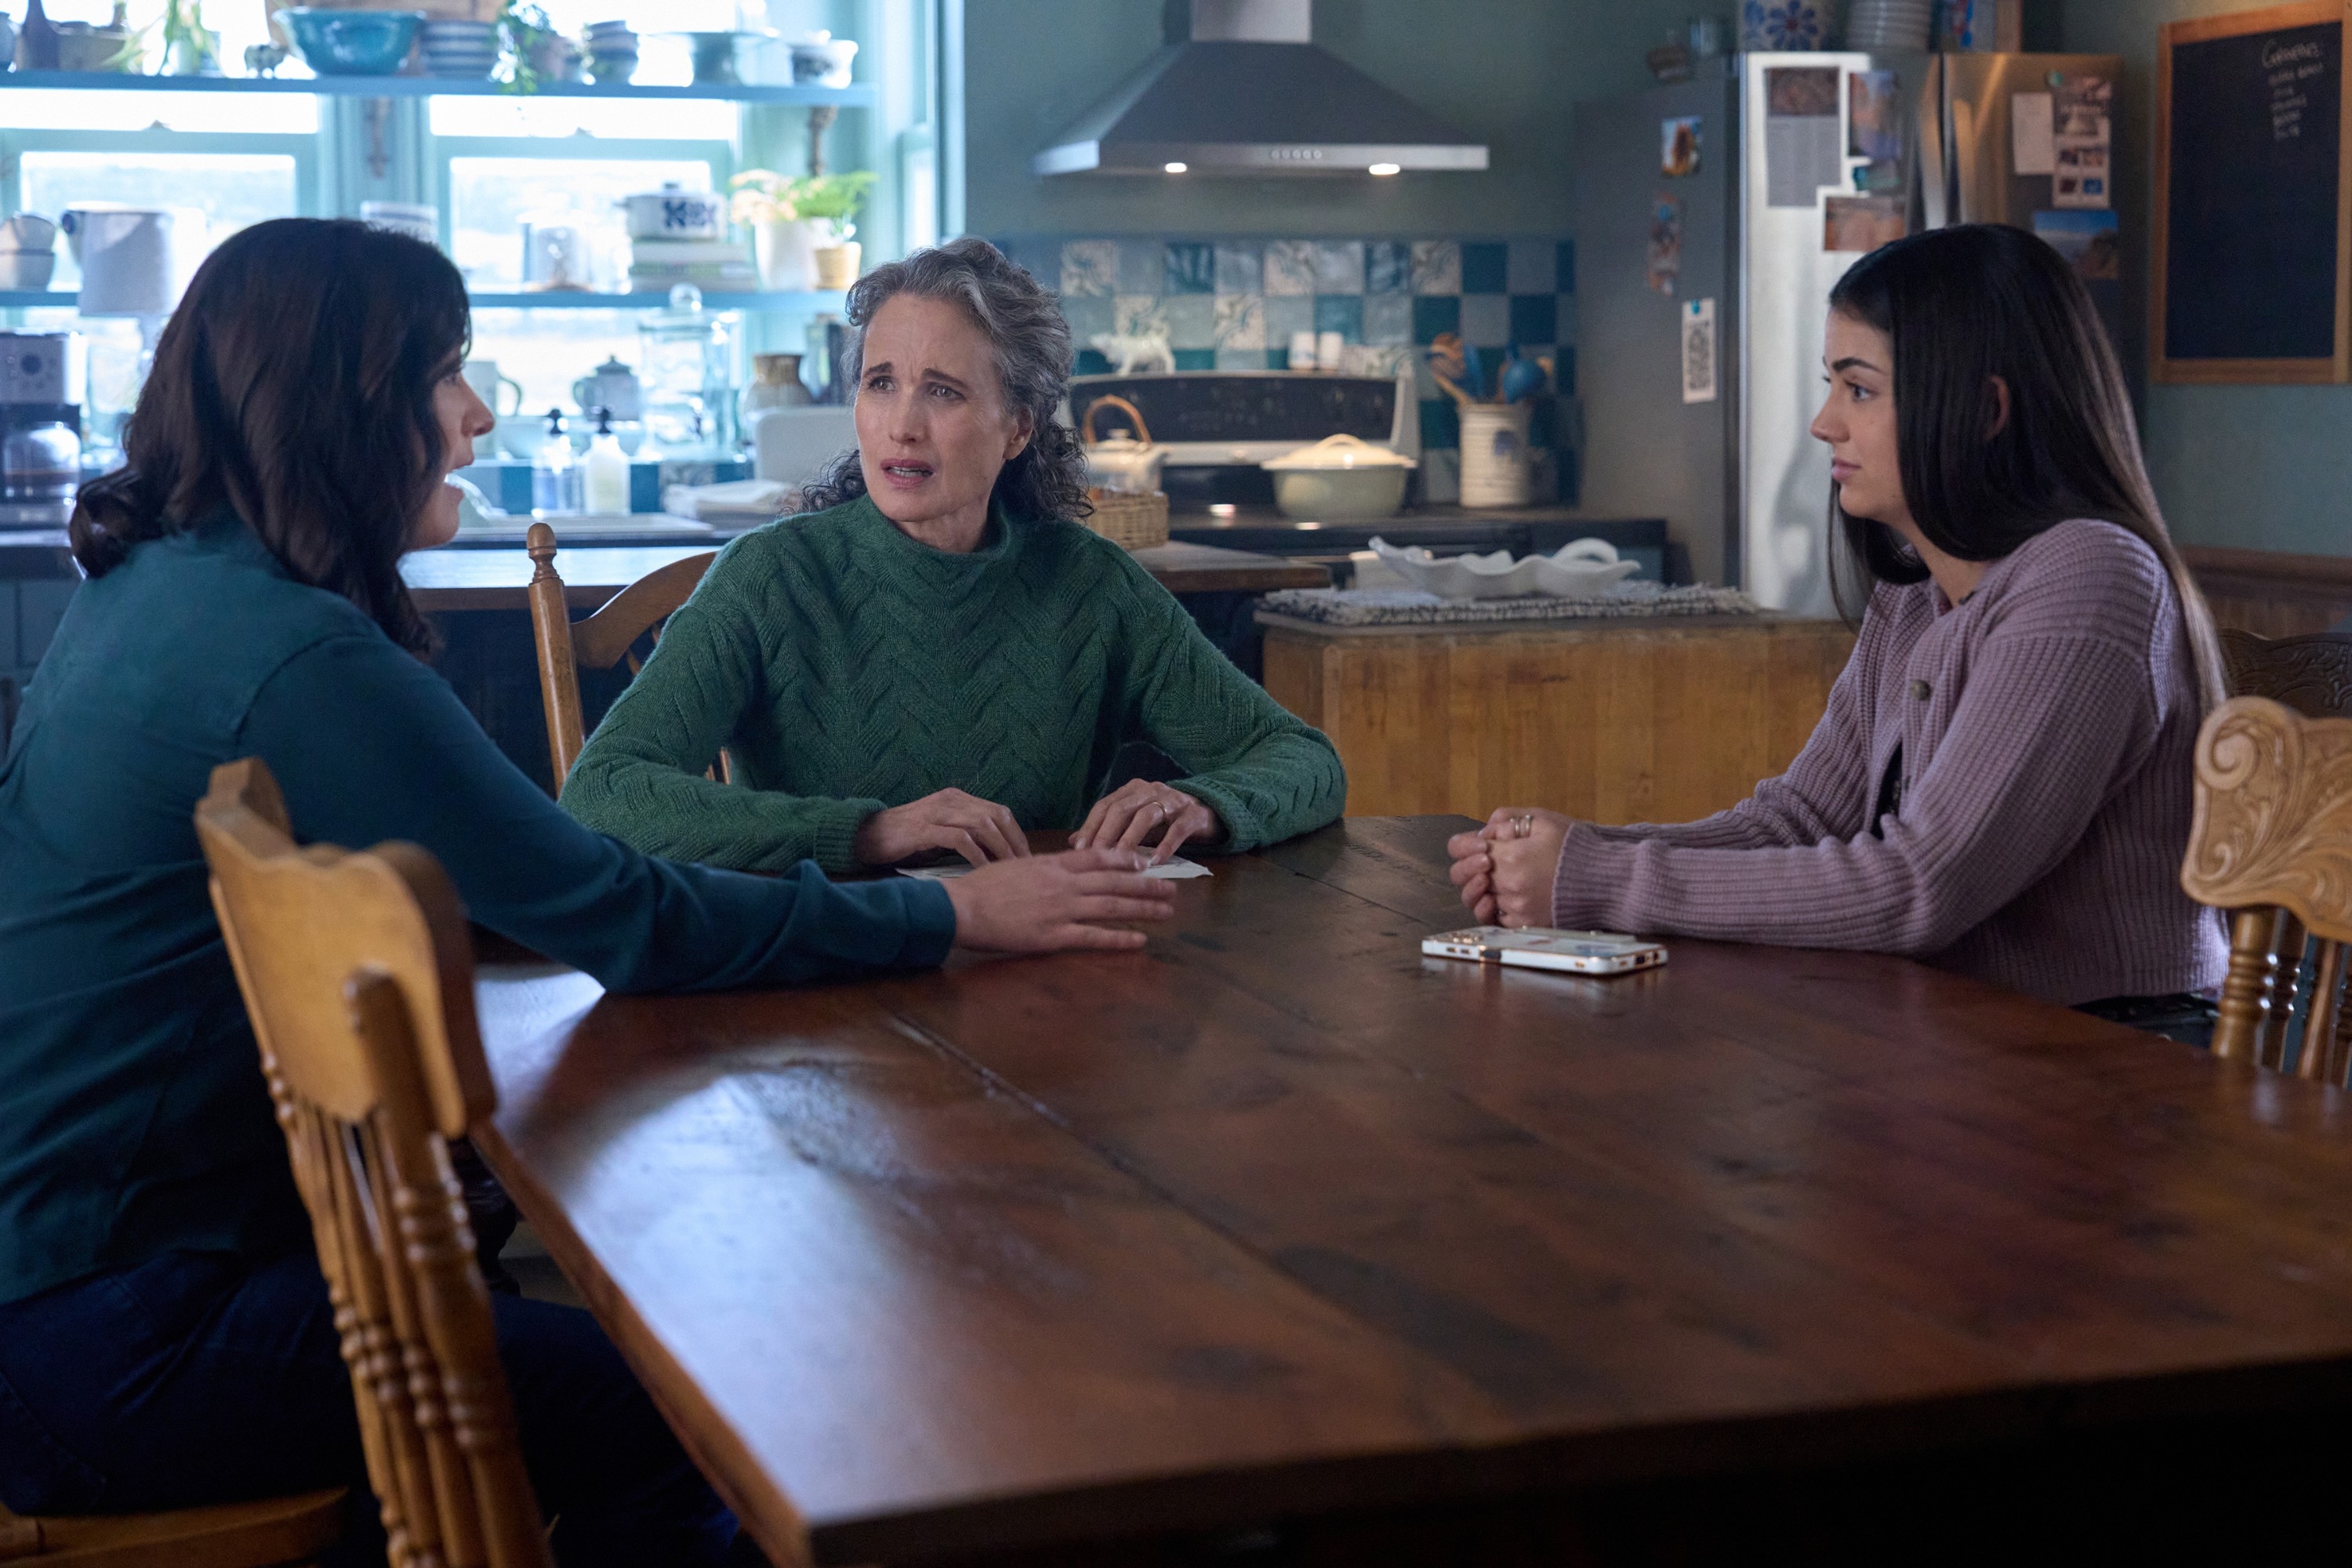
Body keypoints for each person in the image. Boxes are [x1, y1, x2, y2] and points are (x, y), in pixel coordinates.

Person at [0, 218, 1176, 1566]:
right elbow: (625, 915)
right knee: (709, 1416)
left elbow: (533, 890)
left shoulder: (152, 590)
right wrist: (951, 913)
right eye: (443, 374)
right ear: (339, 408)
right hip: (109, 1340)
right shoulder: (299, 661)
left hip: (69, 1278)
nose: (478, 412)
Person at [1447, 223, 2229, 1022]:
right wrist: (1579, 853)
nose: (1825, 423)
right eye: (1834, 385)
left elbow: (1923, 885)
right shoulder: (1917, 588)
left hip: (2115, 1054)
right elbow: (1803, 819)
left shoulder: (2091, 579)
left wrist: (1597, 879)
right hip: (1960, 1034)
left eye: (1859, 390)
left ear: (1984, 408)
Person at [559, 237, 1345, 873]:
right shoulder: (771, 579)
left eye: (943, 391)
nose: (902, 425)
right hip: (823, 971)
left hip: (1038, 969)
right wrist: (869, 832)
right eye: (880, 383)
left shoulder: (1090, 585)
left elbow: (1304, 760)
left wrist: (1205, 804)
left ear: (1018, 427)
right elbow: (602, 792)